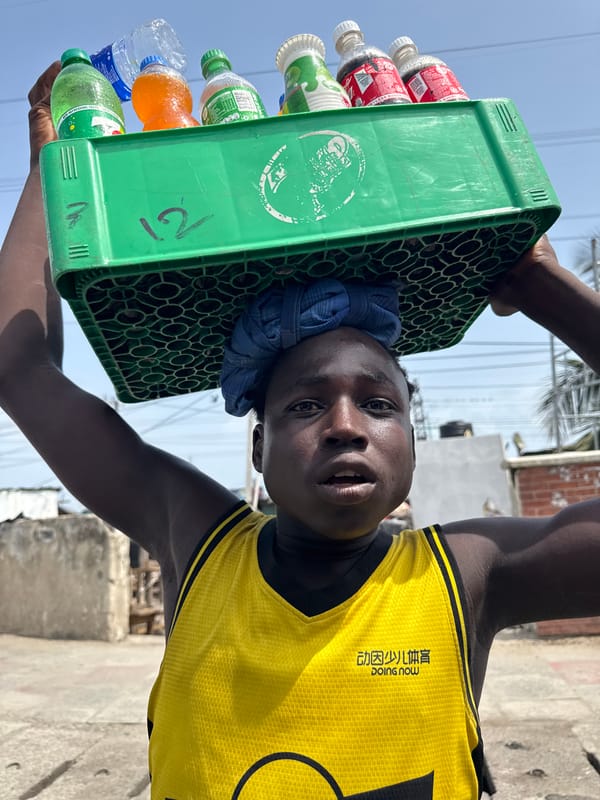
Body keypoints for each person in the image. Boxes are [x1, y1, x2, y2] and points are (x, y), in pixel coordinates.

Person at [0, 62, 598, 800]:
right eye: (307, 407)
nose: (346, 426)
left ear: (412, 441)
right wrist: (51, 172)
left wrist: (545, 288)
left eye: (379, 405)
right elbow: (19, 371)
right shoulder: (198, 542)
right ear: (258, 448)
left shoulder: (470, 575)